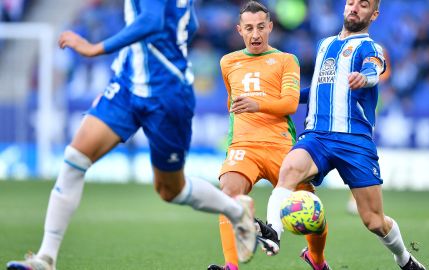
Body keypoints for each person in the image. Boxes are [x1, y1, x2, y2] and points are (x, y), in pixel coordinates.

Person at [6, 1, 258, 269]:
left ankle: (236, 210)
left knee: (171, 189)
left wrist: (95, 48)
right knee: (75, 158)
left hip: (166, 94)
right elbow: (190, 22)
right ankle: (46, 257)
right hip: (126, 86)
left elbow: (151, 20)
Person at [264, 0, 427, 269]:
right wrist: (285, 98)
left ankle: (404, 259)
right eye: (351, 2)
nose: (354, 8)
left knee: (374, 220)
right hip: (318, 134)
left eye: (363, 5)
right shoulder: (324, 45)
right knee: (289, 169)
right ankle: (273, 233)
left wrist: (365, 77)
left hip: (354, 141)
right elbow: (317, 87)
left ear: (373, 14)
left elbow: (375, 68)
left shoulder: (371, 47)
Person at [207, 1, 329, 270]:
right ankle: (231, 265)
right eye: (249, 28)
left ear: (270, 27)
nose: (255, 34)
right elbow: (232, 108)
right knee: (227, 194)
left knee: (311, 209)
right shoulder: (228, 62)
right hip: (244, 146)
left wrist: (257, 104)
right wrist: (232, 145)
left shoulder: (286, 60)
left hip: (280, 146)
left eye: (261, 27)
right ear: (239, 30)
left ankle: (317, 261)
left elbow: (289, 103)